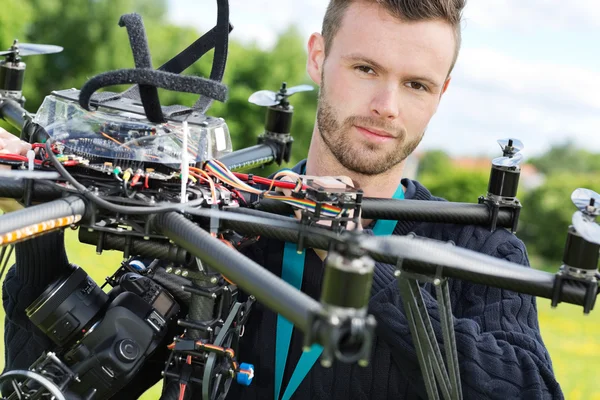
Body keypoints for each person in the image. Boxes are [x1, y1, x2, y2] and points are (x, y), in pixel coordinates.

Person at [0, 1, 562, 399]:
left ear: (441, 94)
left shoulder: (480, 247)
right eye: (365, 68)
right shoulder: (226, 217)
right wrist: (33, 228)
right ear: (318, 58)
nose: (387, 105)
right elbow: (44, 384)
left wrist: (356, 264)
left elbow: (529, 389)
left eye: (416, 84)